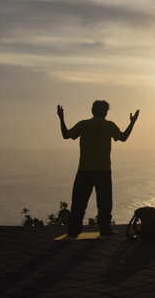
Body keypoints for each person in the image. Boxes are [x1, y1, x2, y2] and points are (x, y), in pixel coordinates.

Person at [57, 101, 139, 237]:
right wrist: (132, 123)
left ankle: (73, 230)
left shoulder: (83, 124)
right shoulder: (108, 125)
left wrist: (61, 118)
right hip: (103, 170)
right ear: (105, 112)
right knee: (104, 202)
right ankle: (104, 229)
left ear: (92, 110)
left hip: (84, 170)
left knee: (78, 202)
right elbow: (123, 138)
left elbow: (66, 135)